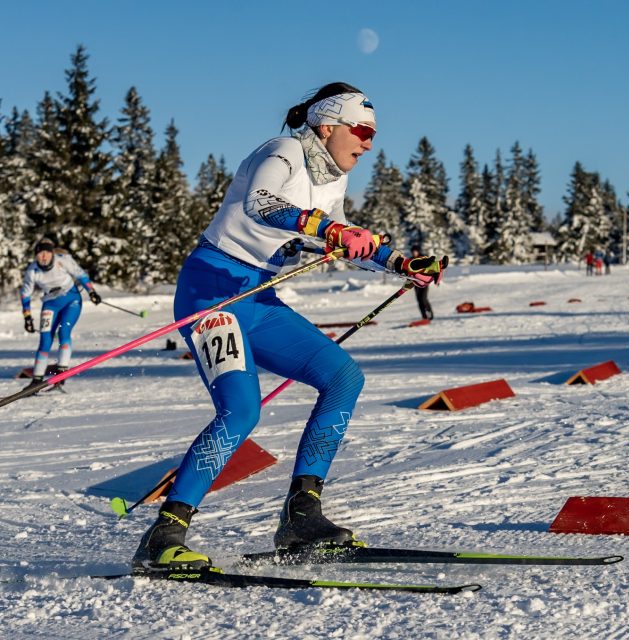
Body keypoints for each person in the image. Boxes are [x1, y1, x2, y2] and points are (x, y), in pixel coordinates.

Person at [132, 82, 447, 571]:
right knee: (241, 412)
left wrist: (403, 263)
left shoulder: (332, 181)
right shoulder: (282, 151)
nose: (368, 142)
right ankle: (165, 534)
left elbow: (341, 243)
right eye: (362, 130)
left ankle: (301, 517)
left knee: (343, 376)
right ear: (327, 125)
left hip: (258, 296)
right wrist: (327, 227)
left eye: (373, 134)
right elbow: (262, 204)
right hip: (213, 291)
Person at [20, 237, 102, 388]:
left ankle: (61, 373)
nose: (43, 256)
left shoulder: (62, 260)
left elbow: (81, 275)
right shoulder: (32, 270)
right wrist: (27, 318)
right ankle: (36, 380)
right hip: (50, 304)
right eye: (40, 254)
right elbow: (25, 295)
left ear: (52, 253)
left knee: (64, 332)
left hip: (71, 300)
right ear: (36, 255)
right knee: (45, 340)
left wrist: (92, 292)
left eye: (47, 253)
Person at [411, 245, 434, 321]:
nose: (414, 253)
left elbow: (430, 268)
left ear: (418, 251)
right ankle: (424, 316)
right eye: (413, 251)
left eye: (415, 251)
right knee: (419, 300)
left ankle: (430, 314)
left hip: (424, 283)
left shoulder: (423, 258)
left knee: (423, 299)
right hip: (415, 283)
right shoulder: (411, 260)